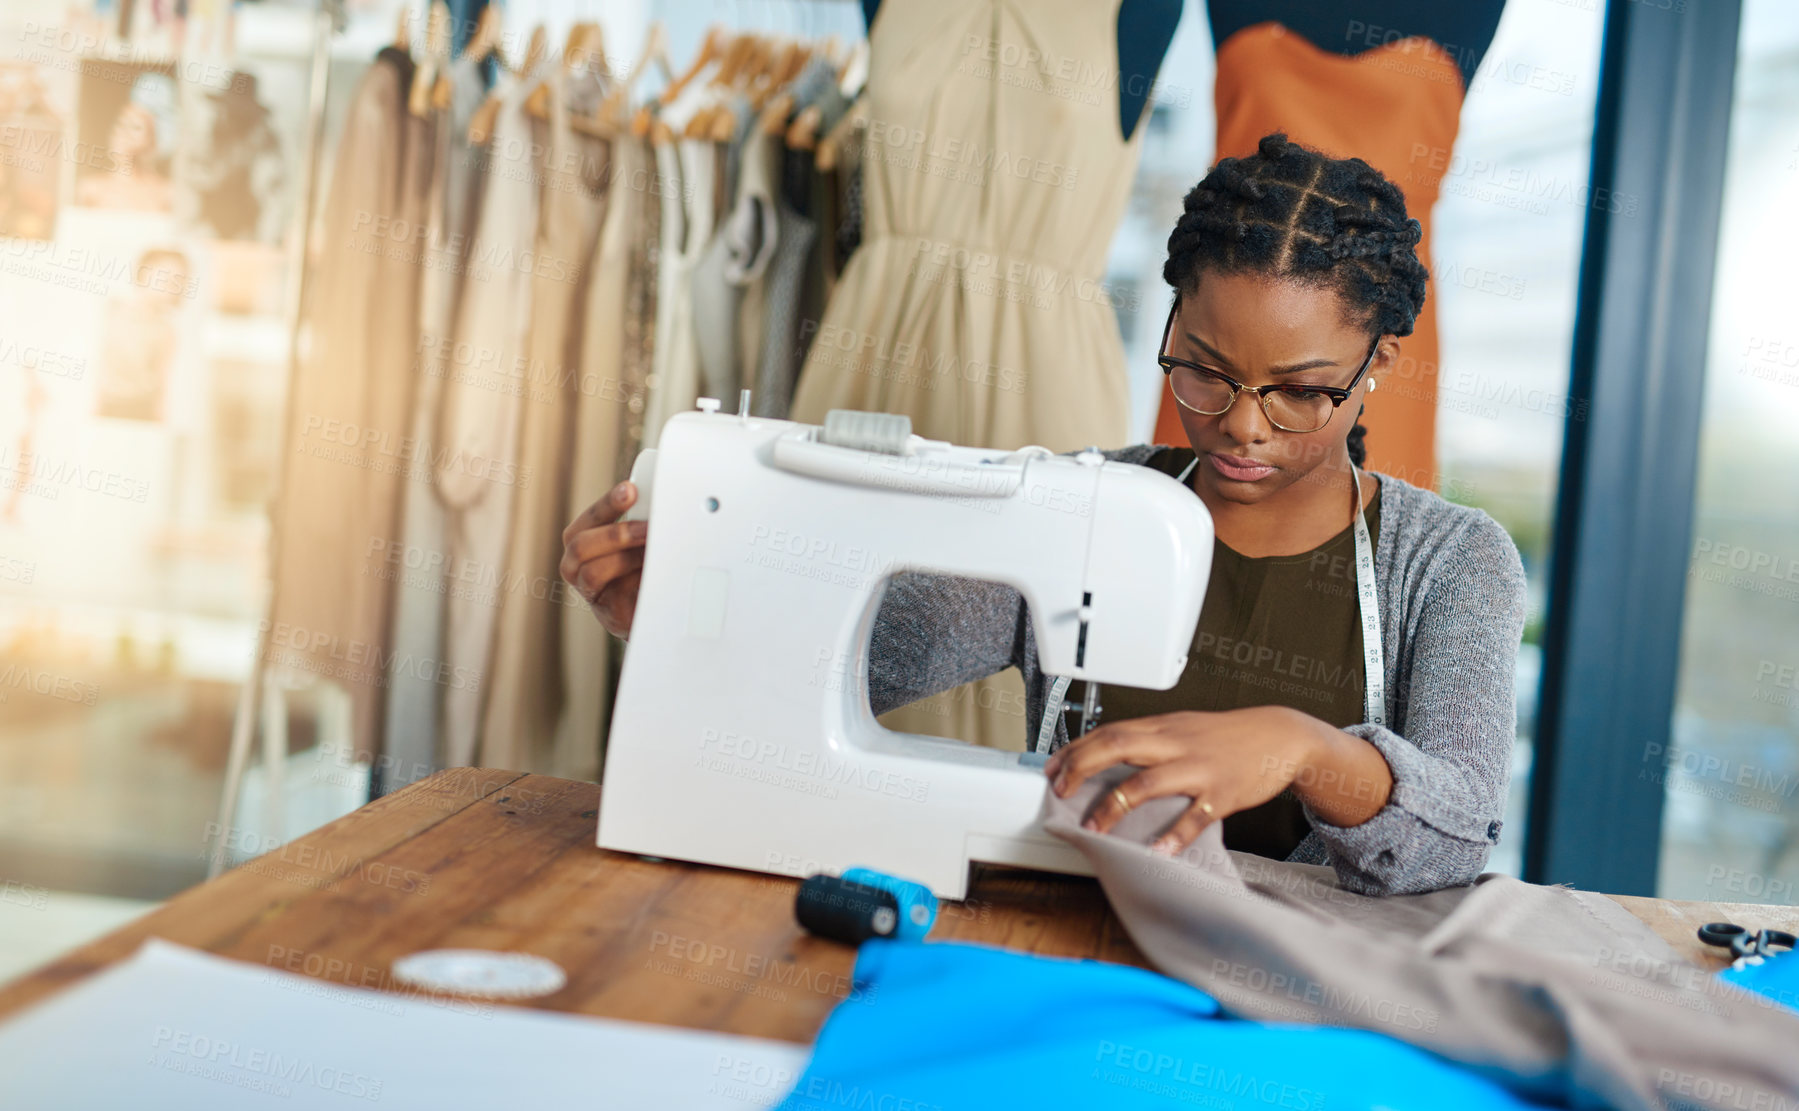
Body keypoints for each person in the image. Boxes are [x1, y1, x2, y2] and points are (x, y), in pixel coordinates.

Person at [559, 133, 1526, 897]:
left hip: (1313, 1000)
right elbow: (862, 660)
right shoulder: (1084, 508)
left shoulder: (1450, 561)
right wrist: (675, 609)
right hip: (1080, 940)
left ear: (1377, 366)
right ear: (1171, 321)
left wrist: (1302, 745)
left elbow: (1455, 833)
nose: (1239, 425)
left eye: (1300, 392)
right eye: (1202, 368)